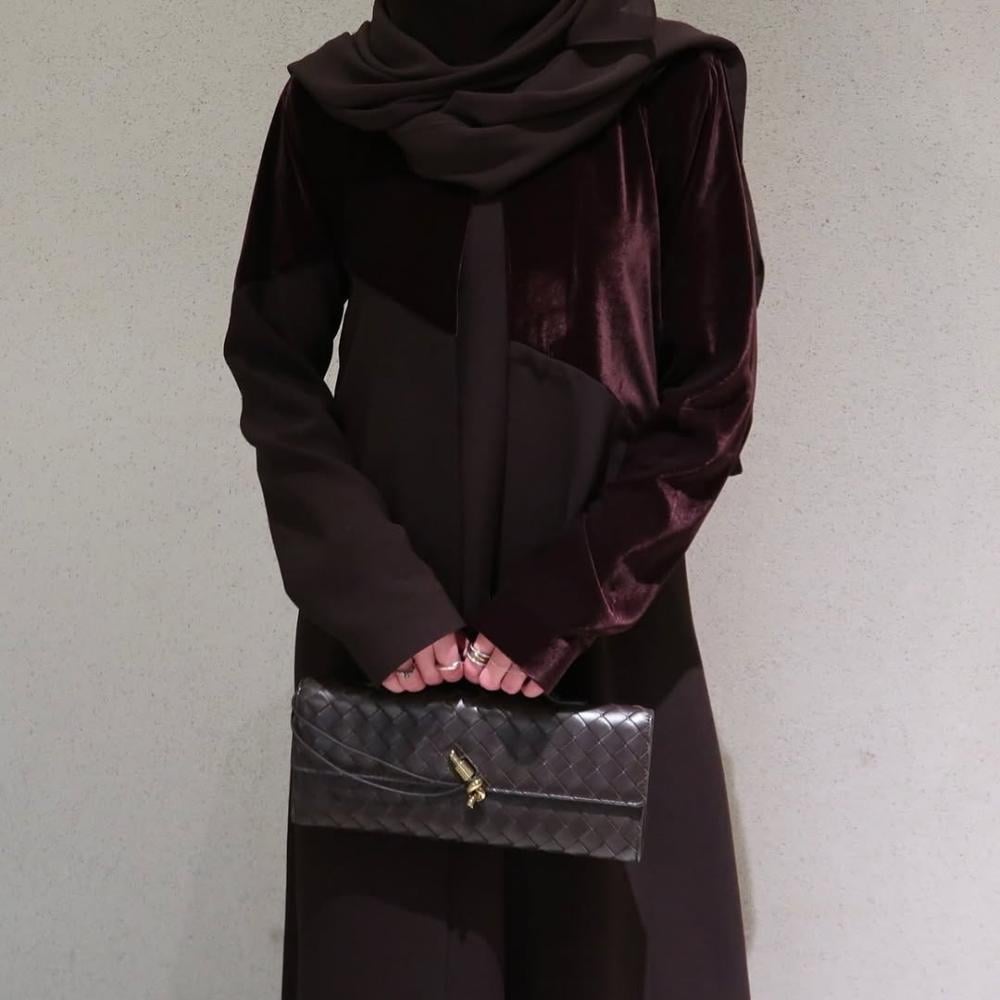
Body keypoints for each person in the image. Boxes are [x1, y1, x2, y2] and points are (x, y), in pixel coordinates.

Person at [222, 0, 765, 997]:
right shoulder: (335, 105)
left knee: (602, 954)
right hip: (394, 654)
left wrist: (562, 603)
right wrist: (382, 599)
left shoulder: (662, 92)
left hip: (601, 638)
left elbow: (711, 391)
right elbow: (272, 363)